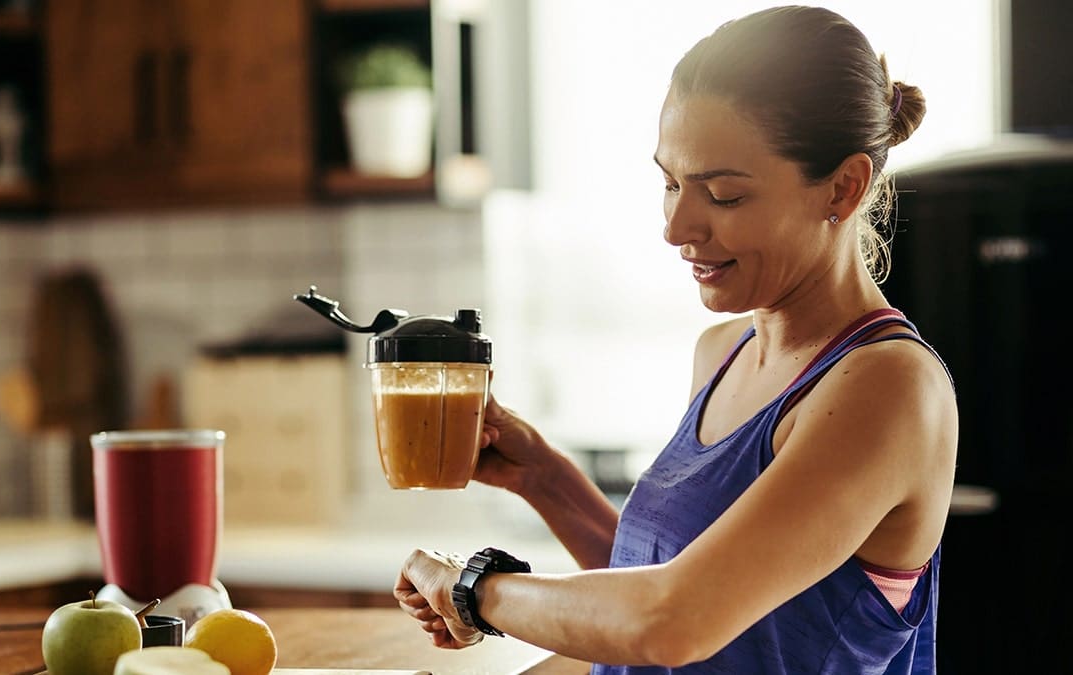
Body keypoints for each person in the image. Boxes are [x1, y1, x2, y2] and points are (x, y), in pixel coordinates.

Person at [393, 5, 959, 673]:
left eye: (722, 194)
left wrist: (475, 589)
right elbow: (684, 592)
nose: (677, 226)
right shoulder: (722, 351)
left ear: (843, 186)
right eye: (670, 182)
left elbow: (673, 621)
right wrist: (544, 477)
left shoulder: (888, 388)